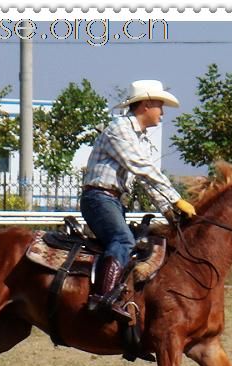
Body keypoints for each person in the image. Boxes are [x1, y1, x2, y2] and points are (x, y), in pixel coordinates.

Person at [80, 79, 196, 320]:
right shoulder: (120, 129)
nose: (162, 113)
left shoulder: (139, 138)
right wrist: (176, 199)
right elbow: (141, 168)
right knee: (123, 241)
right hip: (99, 198)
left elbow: (145, 179)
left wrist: (169, 211)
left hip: (111, 200)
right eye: (159, 106)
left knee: (138, 245)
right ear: (145, 104)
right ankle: (102, 298)